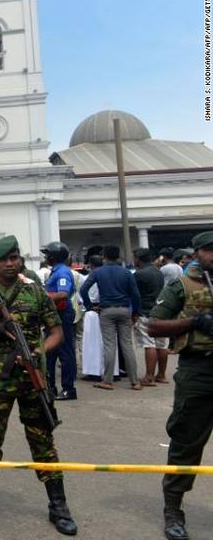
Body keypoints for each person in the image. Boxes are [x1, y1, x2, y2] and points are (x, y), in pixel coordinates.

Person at [0, 235, 78, 536]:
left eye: (15, 258)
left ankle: (57, 504)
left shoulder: (34, 291)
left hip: (33, 374)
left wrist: (40, 351)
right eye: (4, 259)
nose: (11, 263)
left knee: (42, 437)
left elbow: (56, 331)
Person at [149, 231, 213, 540]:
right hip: (199, 369)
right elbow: (155, 324)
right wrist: (194, 322)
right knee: (187, 440)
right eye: (210, 251)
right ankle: (173, 509)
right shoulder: (181, 285)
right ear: (198, 253)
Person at [80, 245, 142, 391]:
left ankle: (107, 381)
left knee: (109, 345)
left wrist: (90, 306)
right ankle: (135, 381)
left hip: (106, 310)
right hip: (124, 309)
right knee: (127, 346)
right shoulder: (126, 272)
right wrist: (135, 313)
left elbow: (83, 289)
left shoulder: (98, 272)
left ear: (104, 256)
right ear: (118, 256)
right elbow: (136, 295)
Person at [41, 241, 78, 401]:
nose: (46, 257)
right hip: (54, 314)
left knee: (65, 352)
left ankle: (68, 388)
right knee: (50, 352)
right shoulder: (56, 271)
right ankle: (51, 387)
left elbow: (62, 294)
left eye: (47, 254)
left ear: (53, 256)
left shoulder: (62, 272)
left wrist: (41, 296)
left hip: (62, 314)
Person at [132, 248, 168, 386]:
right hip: (161, 311)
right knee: (162, 344)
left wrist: (134, 313)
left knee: (149, 344)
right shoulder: (158, 272)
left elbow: (135, 295)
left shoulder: (139, 274)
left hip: (146, 311)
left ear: (138, 259)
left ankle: (149, 376)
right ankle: (162, 374)